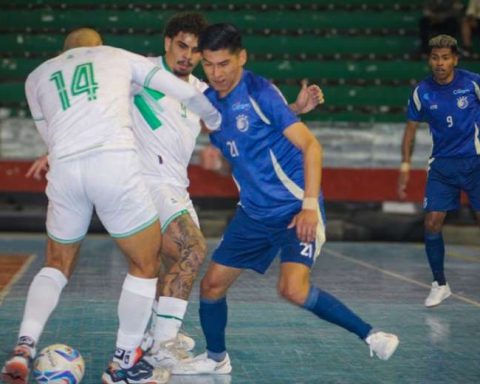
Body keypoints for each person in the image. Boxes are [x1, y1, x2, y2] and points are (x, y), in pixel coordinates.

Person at [22, 13, 324, 373]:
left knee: (171, 264)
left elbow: (247, 123)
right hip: (143, 179)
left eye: (196, 51)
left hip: (176, 187)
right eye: (181, 46)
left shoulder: (201, 91)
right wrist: (56, 149)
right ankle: (161, 346)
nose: (187, 56)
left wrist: (293, 110)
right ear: (167, 42)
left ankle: (153, 337)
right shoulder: (135, 71)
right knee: (191, 250)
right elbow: (86, 103)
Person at [171, 23, 400, 376]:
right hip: (254, 213)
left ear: (242, 58)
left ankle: (373, 335)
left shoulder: (260, 91)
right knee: (211, 286)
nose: (216, 74)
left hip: (295, 208)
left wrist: (309, 207)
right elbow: (250, 145)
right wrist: (218, 164)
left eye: (224, 64)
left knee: (293, 289)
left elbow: (312, 146)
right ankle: (216, 359)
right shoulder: (212, 107)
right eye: (210, 65)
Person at [0, 28, 221, 384]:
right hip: (113, 164)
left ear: (63, 51)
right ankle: (123, 364)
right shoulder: (117, 56)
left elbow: (49, 134)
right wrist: (213, 117)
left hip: (66, 169)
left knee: (56, 264)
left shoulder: (36, 76)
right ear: (97, 46)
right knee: (145, 262)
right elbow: (181, 89)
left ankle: (24, 346)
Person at [398, 34, 480, 308]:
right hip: (442, 166)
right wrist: (406, 165)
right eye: (435, 58)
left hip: (475, 163)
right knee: (432, 222)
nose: (440, 63)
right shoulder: (422, 91)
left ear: (455, 59)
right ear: (429, 60)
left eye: (445, 58)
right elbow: (410, 130)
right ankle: (440, 284)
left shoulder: (472, 83)